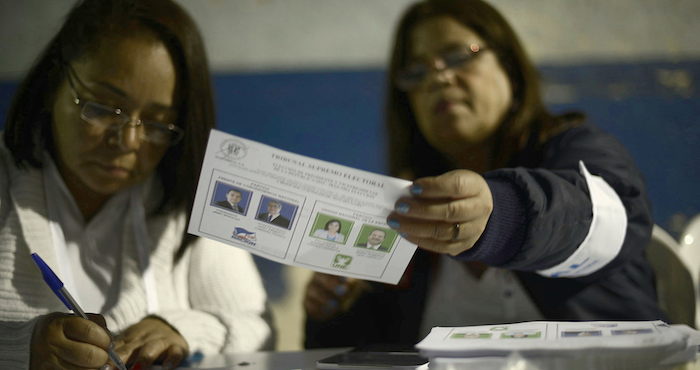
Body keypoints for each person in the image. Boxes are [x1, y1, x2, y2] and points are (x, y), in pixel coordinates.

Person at [304, 0, 665, 348]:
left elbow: (604, 218)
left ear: (509, 64)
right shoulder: (411, 205)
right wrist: (335, 310)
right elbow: (375, 347)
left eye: (459, 55)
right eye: (417, 72)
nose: (439, 77)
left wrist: (502, 214)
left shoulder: (577, 148)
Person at [0, 0, 273, 368]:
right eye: (102, 108)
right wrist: (21, 348)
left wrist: (182, 329)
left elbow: (259, 327)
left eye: (159, 125)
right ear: (54, 84)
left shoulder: (183, 197)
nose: (128, 142)